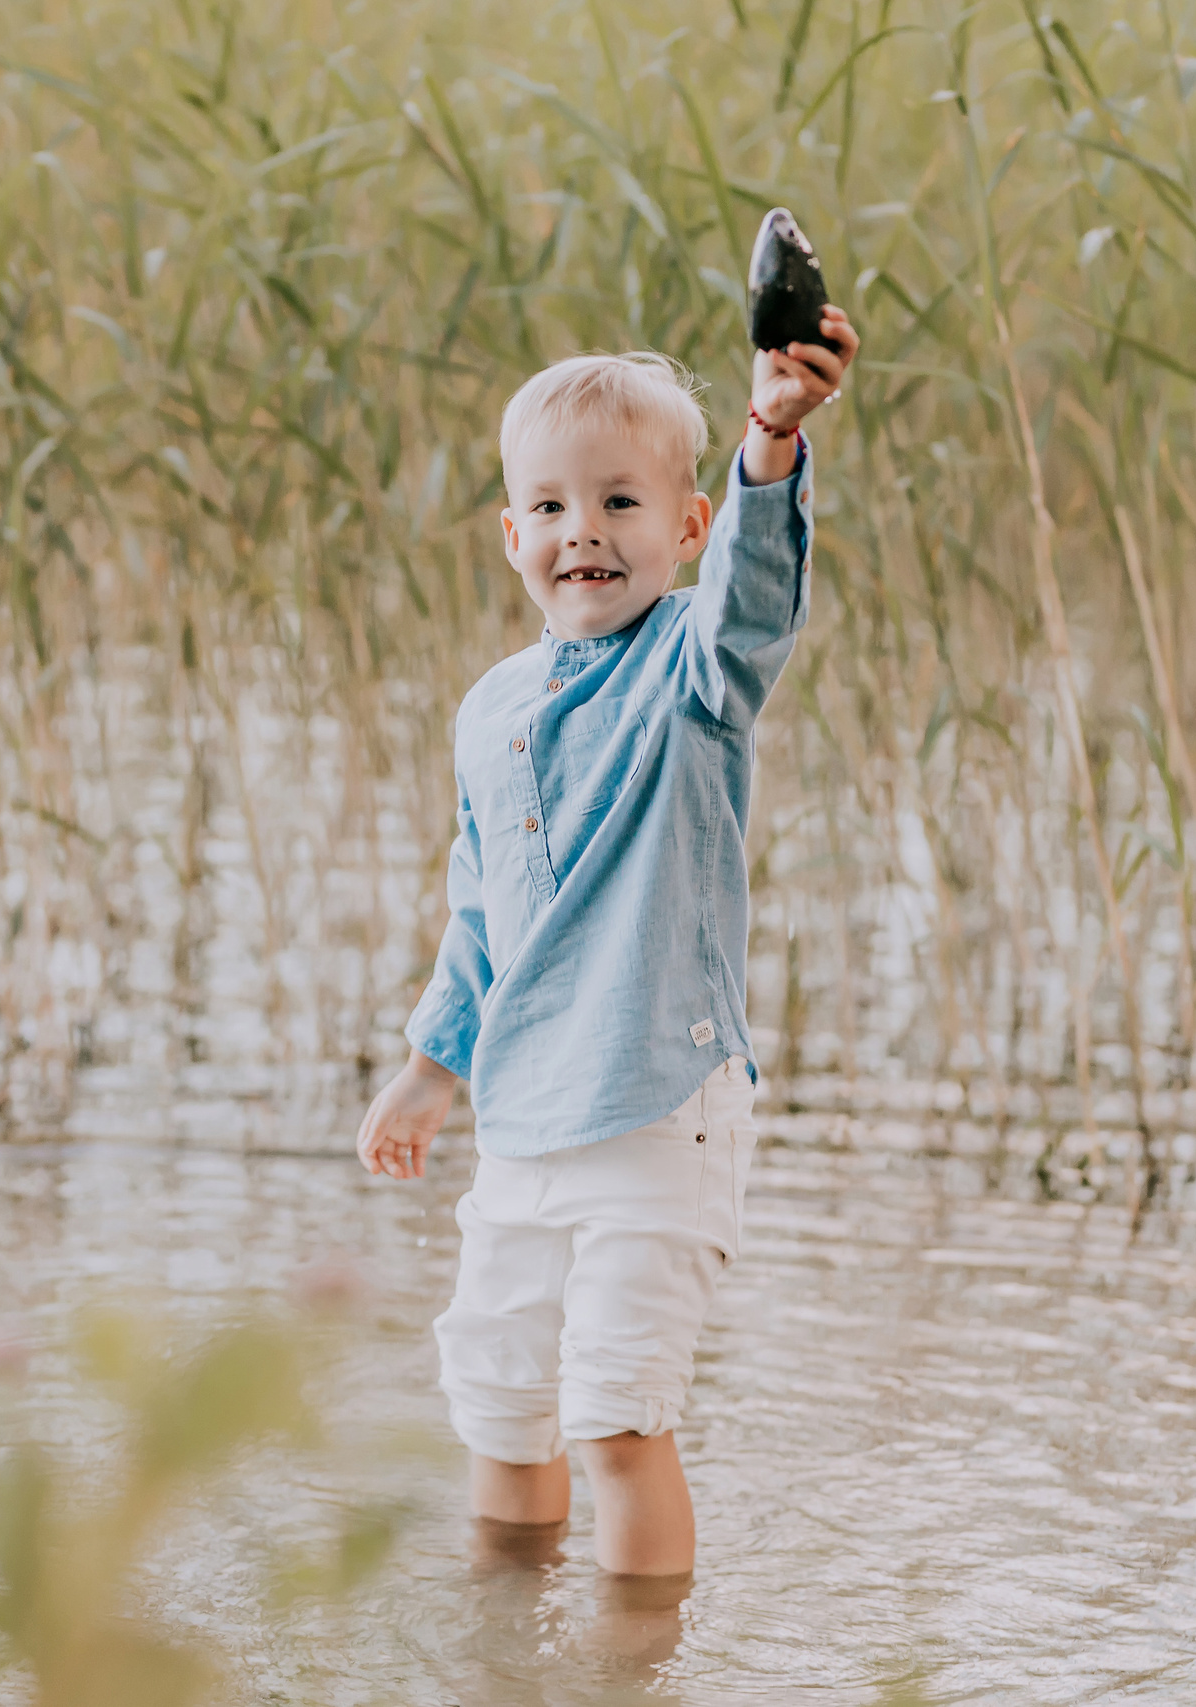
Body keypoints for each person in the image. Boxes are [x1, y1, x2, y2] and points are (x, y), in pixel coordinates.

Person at [354, 304, 858, 1584]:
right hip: (525, 1112)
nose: (586, 529)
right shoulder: (495, 708)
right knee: (500, 1398)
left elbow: (756, 596)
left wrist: (769, 440)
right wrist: (430, 1067)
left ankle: (628, 1671)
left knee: (615, 1415)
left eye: (623, 503)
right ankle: (506, 1652)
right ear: (512, 533)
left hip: (654, 1104)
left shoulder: (693, 672)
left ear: (684, 529)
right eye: (556, 506)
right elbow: (484, 908)